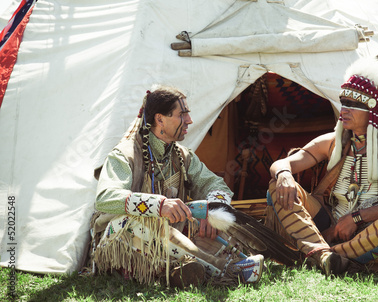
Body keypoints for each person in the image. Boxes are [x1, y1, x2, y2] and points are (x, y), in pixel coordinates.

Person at [266, 41, 378, 275]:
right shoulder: (333, 142)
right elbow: (286, 163)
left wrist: (357, 217)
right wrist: (284, 174)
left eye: (354, 104)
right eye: (343, 102)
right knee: (277, 187)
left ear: (375, 111)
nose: (344, 110)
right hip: (328, 225)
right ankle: (325, 254)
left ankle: (330, 255)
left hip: (373, 229)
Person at [90, 85, 263, 287]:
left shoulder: (181, 155)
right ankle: (225, 271)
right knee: (146, 224)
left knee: (221, 219)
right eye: (182, 115)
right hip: (124, 238)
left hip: (170, 238)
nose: (189, 120)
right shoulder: (124, 154)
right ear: (160, 119)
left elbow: (215, 184)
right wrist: (159, 205)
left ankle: (182, 271)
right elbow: (105, 198)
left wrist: (212, 210)